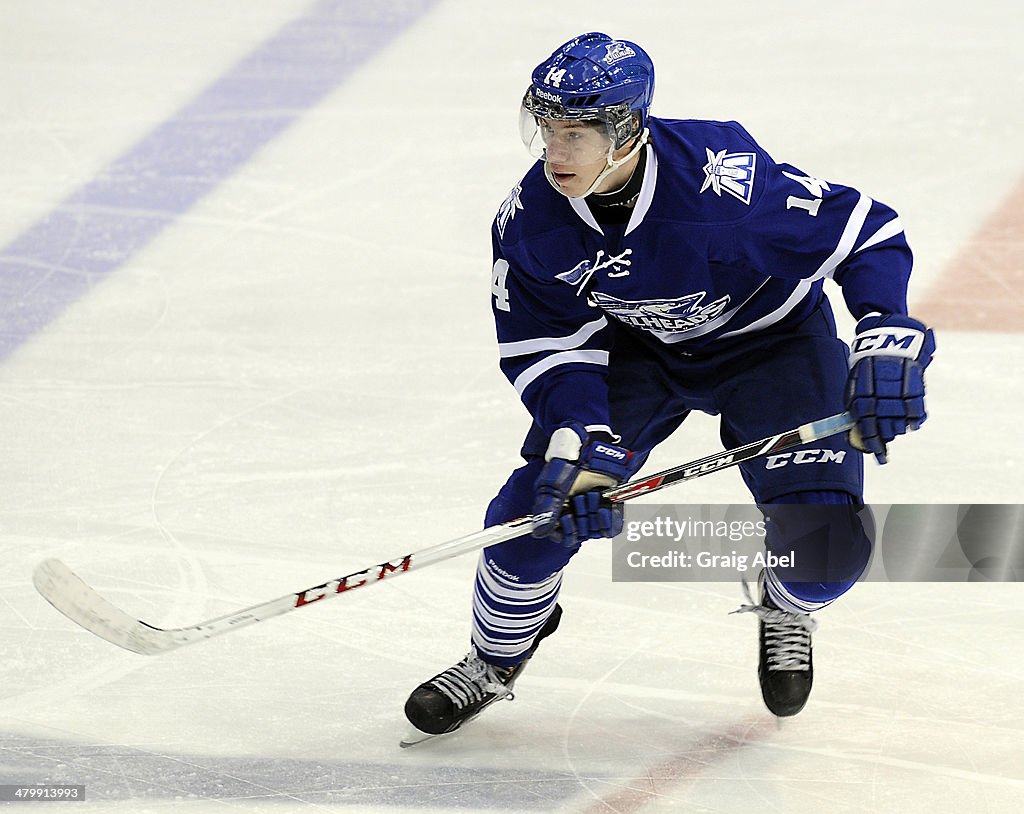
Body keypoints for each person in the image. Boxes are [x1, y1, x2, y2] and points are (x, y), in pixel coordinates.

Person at [402, 32, 935, 743]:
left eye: (578, 133)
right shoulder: (532, 222)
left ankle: (785, 603)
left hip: (774, 344)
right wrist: (585, 444)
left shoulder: (727, 182)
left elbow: (866, 232)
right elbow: (549, 347)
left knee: (826, 554)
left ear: (628, 131)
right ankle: (496, 659)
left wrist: (885, 330)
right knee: (533, 521)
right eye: (547, 129)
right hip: (638, 356)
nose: (556, 155)